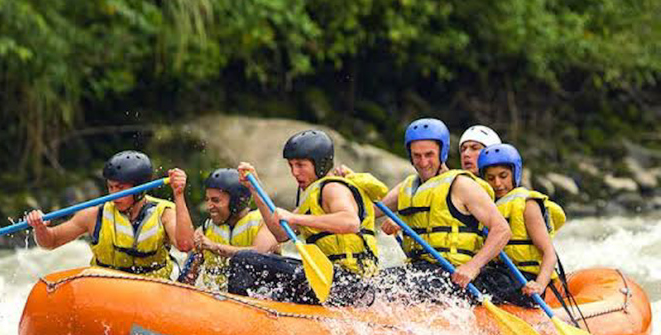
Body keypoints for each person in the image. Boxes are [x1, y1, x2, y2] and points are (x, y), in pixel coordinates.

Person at [229, 129, 388, 306]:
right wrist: (255, 188)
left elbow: (350, 222)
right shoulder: (312, 197)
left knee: (245, 260)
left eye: (300, 165)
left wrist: (296, 219)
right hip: (330, 279)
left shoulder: (332, 188)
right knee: (260, 268)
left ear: (320, 164)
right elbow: (281, 234)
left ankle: (239, 312)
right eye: (291, 166)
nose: (295, 172)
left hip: (349, 283)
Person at [376, 118, 511, 303]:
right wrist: (348, 186)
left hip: (453, 275)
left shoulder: (461, 184)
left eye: (429, 155)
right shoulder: (408, 187)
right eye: (417, 155)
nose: (423, 162)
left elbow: (502, 230)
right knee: (372, 283)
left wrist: (472, 267)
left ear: (443, 152)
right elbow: (371, 210)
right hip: (417, 271)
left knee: (391, 290)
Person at [26, 150, 194, 278]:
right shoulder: (93, 215)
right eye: (110, 187)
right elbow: (52, 241)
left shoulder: (164, 213)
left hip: (151, 292)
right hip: (105, 292)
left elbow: (185, 245)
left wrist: (179, 195)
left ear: (139, 189)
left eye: (120, 188)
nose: (113, 194)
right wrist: (40, 228)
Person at [478, 143, 566, 306]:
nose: (497, 183)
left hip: (524, 280)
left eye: (503, 176)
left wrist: (539, 285)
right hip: (499, 275)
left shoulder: (527, 205)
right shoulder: (486, 206)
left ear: (515, 173)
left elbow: (549, 253)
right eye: (491, 178)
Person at [178, 168, 278, 290]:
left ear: (236, 202)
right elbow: (188, 278)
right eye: (207, 200)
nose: (209, 206)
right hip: (216, 300)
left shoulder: (265, 223)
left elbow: (258, 253)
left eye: (215, 200)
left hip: (257, 299)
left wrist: (215, 247)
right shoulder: (206, 229)